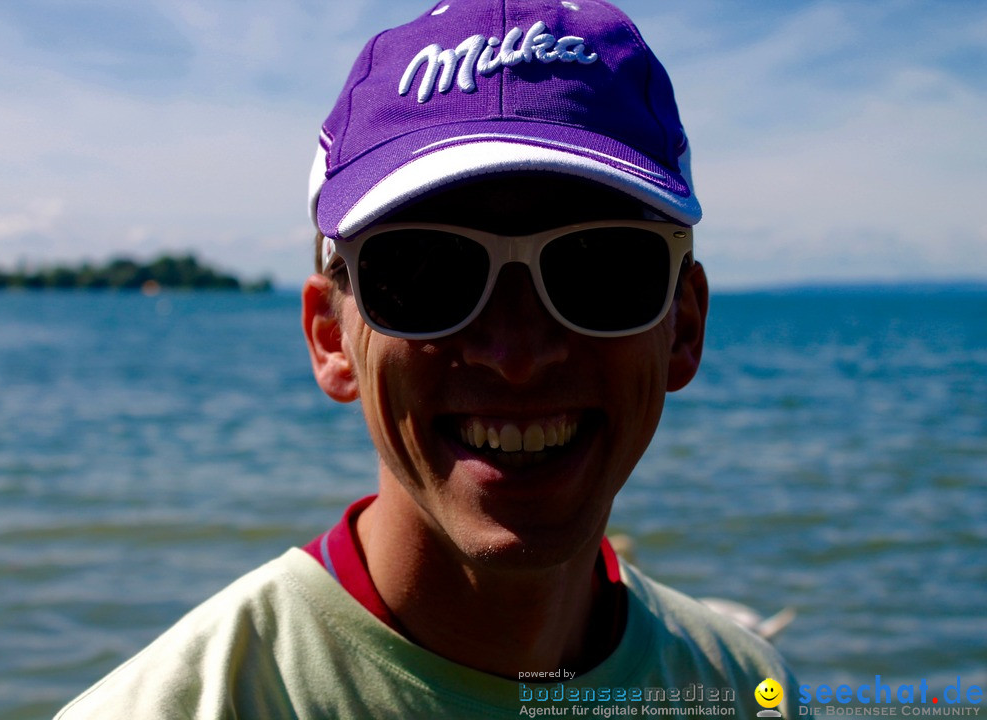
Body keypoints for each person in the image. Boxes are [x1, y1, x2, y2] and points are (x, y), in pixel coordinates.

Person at [55, 0, 799, 717]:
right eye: (423, 275)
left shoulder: (750, 691)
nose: (517, 354)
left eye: (599, 270)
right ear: (330, 337)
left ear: (684, 326)